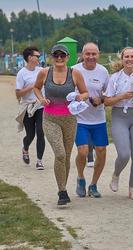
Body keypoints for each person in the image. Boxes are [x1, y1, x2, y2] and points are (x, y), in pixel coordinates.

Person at [33, 44, 88, 206]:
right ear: (51, 56)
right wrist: (41, 99)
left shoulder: (75, 73)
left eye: (62, 55)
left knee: (67, 156)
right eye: (56, 55)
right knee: (60, 154)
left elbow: (85, 92)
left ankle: (63, 188)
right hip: (50, 119)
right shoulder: (44, 73)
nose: (59, 58)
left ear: (67, 57)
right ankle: (62, 191)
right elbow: (36, 88)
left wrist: (80, 97)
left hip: (70, 120)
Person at [104, 47, 133, 200]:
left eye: (132, 56)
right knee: (124, 154)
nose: (129, 59)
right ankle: (116, 175)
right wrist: (121, 96)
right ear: (122, 59)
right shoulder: (115, 77)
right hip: (119, 117)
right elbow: (107, 101)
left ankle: (132, 188)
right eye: (126, 57)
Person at [72, 42, 109, 198]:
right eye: (88, 54)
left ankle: (93, 184)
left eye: (94, 54)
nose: (91, 57)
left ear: (98, 55)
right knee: (83, 151)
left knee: (101, 151)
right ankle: (80, 177)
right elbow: (66, 92)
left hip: (98, 119)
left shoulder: (103, 71)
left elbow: (108, 94)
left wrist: (100, 100)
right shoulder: (74, 70)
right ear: (82, 54)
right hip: (79, 120)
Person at [15, 46, 45, 170]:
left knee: (40, 131)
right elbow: (18, 94)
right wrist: (32, 87)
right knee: (31, 134)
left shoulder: (42, 70)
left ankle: (39, 161)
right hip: (27, 106)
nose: (39, 58)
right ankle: (25, 147)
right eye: (37, 56)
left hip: (40, 105)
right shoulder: (22, 73)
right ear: (29, 57)